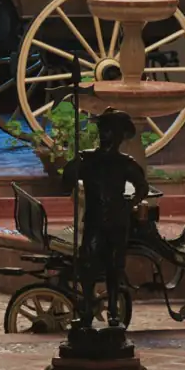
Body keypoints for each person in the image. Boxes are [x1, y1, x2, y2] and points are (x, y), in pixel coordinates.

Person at [62, 109, 147, 332]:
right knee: (87, 266)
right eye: (103, 129)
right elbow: (66, 180)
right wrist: (73, 164)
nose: (105, 134)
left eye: (110, 130)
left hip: (116, 223)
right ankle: (87, 309)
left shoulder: (125, 164)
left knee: (114, 269)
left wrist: (130, 202)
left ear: (119, 136)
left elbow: (142, 187)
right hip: (94, 221)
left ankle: (113, 312)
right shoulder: (88, 160)